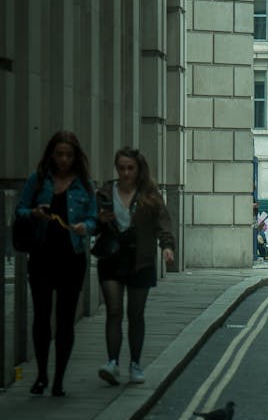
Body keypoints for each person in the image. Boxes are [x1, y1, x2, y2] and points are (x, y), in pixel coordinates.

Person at [15, 130, 98, 396]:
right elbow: (20, 209)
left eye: (69, 155)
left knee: (64, 320)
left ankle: (59, 379)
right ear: (52, 154)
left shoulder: (84, 185)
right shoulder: (38, 180)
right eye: (59, 154)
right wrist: (34, 214)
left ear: (76, 157)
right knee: (41, 316)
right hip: (41, 257)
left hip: (71, 260)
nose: (63, 159)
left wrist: (86, 226)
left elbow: (94, 218)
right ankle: (41, 375)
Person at [95, 148, 175, 386]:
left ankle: (135, 365)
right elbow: (92, 223)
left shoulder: (149, 195)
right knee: (114, 310)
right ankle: (112, 362)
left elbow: (163, 222)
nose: (126, 173)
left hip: (141, 260)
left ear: (138, 169)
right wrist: (99, 220)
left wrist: (167, 246)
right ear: (116, 168)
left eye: (130, 168)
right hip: (111, 258)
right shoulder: (106, 193)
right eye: (122, 168)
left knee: (135, 314)